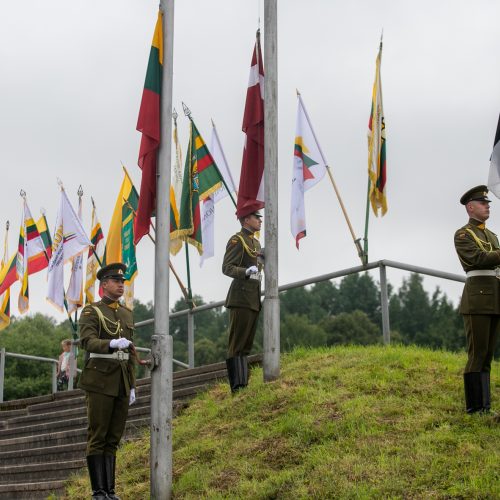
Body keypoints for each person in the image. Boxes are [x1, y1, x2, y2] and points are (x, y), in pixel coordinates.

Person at [78, 262, 137, 500]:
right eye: (116, 281)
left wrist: (132, 384)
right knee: (98, 435)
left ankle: (110, 491)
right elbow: (87, 341)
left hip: (121, 381)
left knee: (113, 439)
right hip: (100, 380)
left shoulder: (126, 313)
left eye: (123, 281)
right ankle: (98, 492)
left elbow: (130, 353)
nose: (121, 285)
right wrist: (110, 344)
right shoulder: (92, 311)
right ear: (104, 285)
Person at [454, 185, 500, 414]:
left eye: (488, 203)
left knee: (488, 355)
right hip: (478, 299)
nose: (487, 206)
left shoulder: (491, 235)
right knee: (477, 354)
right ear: (470, 207)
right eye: (483, 203)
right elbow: (478, 259)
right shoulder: (463, 234)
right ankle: (474, 407)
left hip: (495, 297)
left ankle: (485, 406)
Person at [222, 209, 264, 392]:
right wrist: (244, 272)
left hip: (253, 297)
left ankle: (243, 383)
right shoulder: (237, 240)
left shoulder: (256, 242)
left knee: (246, 344)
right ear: (246, 219)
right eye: (257, 217)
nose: (260, 221)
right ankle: (237, 385)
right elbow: (227, 267)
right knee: (237, 344)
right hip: (240, 297)